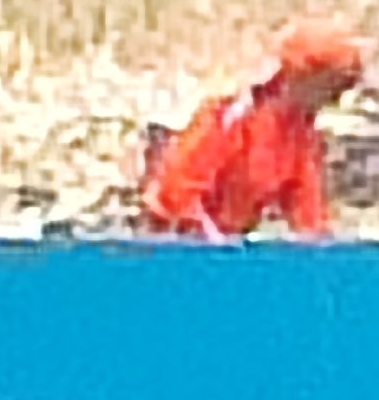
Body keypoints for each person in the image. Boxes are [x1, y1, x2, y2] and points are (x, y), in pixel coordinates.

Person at [141, 19, 366, 238]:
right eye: (332, 86)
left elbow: (310, 221)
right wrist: (219, 248)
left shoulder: (302, 136)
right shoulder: (233, 116)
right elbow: (178, 196)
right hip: (171, 243)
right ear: (304, 75)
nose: (334, 99)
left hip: (225, 245)